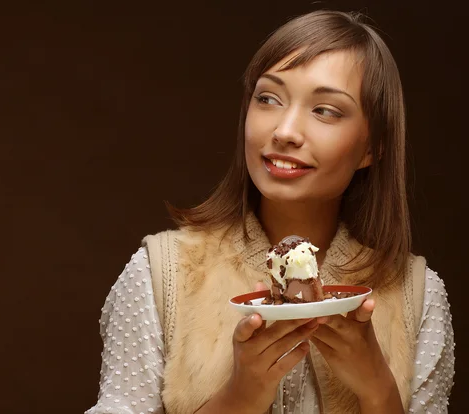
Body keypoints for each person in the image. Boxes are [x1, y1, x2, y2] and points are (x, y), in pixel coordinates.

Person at [86, 9, 454, 414]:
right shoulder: (162, 274)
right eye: (268, 99)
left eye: (325, 110)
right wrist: (240, 396)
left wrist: (377, 389)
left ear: (372, 147)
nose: (284, 131)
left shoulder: (418, 294)